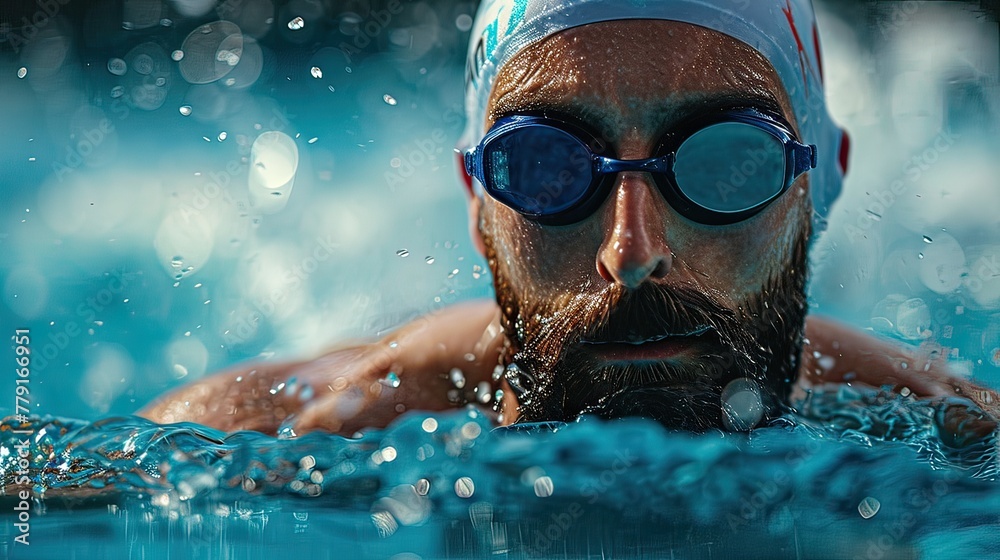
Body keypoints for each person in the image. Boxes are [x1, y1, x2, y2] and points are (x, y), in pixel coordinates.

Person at [139, 0, 999, 437]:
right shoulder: (312, 433)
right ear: (479, 207)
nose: (632, 253)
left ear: (819, 189)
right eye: (549, 168)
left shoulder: (947, 426)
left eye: (727, 162)